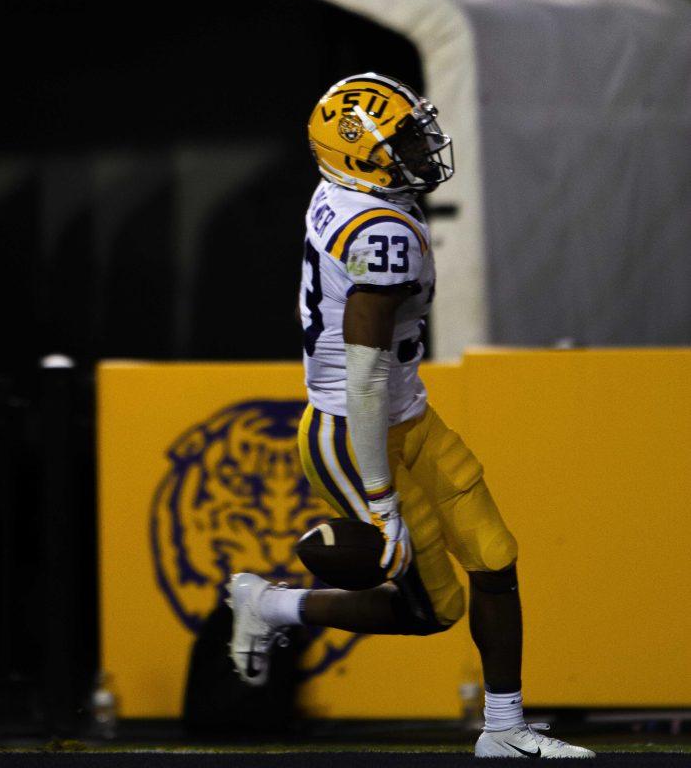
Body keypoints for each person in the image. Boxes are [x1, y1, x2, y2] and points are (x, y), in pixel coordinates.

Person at [228, 72, 594, 759]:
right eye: (402, 141)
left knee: (495, 556)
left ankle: (505, 729)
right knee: (434, 610)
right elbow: (364, 375)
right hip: (353, 431)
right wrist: (379, 499)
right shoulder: (380, 232)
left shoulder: (356, 193)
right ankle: (269, 603)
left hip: (406, 414)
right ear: (357, 156)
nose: (422, 150)